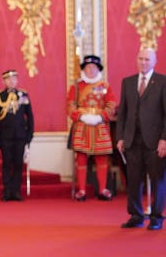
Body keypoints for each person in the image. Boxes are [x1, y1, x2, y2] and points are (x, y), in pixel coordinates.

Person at [116, 47, 166, 230]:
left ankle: (156, 217)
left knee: (158, 179)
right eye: (140, 58)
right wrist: (120, 137)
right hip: (132, 141)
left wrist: (164, 139)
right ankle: (136, 215)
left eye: (147, 59)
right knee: (134, 180)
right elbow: (122, 113)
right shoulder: (127, 82)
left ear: (154, 61)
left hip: (155, 142)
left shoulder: (162, 82)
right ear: (136, 60)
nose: (143, 62)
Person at [66, 55, 117, 201]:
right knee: (81, 158)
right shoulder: (76, 87)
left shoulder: (105, 87)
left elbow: (112, 104)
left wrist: (101, 117)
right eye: (88, 67)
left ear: (98, 69)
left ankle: (103, 189)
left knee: (102, 158)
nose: (90, 70)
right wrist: (81, 116)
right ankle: (81, 190)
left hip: (100, 126)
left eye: (93, 68)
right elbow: (70, 105)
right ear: (83, 69)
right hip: (82, 126)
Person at [0, 70, 34, 201]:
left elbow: (30, 117)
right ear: (4, 81)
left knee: (18, 163)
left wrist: (29, 135)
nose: (12, 81)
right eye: (9, 79)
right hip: (5, 135)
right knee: (7, 163)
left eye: (14, 79)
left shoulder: (23, 95)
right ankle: (7, 191)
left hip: (20, 135)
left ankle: (16, 191)